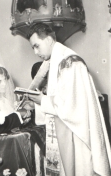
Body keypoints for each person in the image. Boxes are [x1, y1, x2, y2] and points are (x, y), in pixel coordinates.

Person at [24, 23, 111, 176]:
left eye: (36, 46)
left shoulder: (69, 62)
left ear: (49, 40)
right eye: (33, 48)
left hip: (78, 135)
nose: (36, 52)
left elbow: (71, 107)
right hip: (69, 130)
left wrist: (42, 101)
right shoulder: (59, 60)